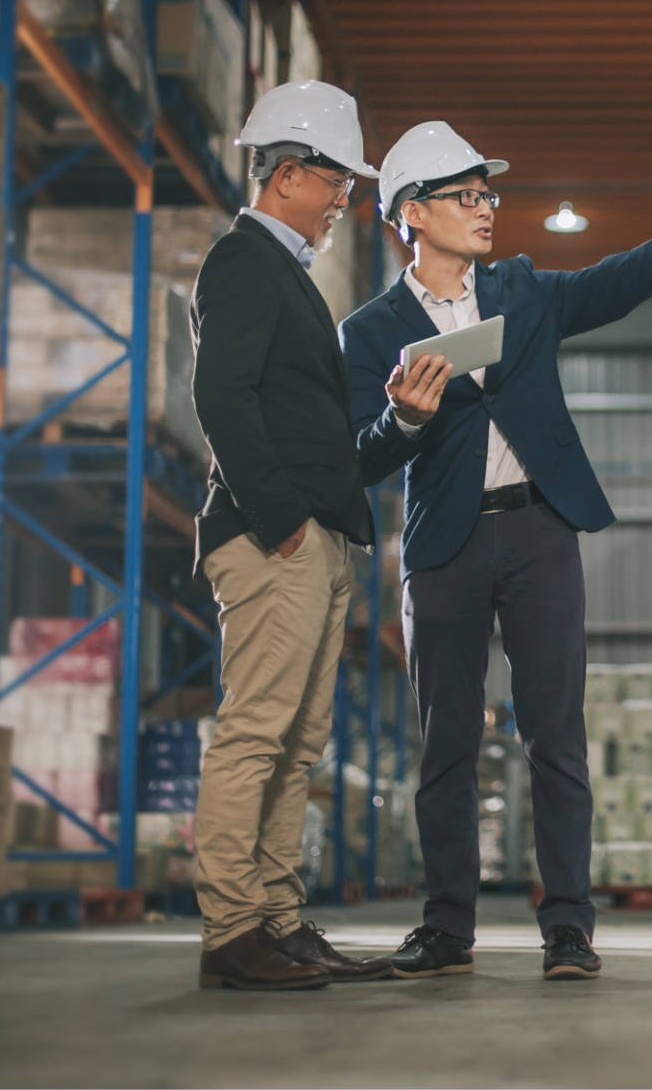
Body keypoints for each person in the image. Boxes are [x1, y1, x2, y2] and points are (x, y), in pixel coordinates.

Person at [340, 120, 652, 981]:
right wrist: (403, 420)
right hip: (444, 546)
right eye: (465, 196)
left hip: (540, 530)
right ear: (411, 212)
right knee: (445, 743)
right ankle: (446, 928)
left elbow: (630, 275)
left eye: (486, 194)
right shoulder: (368, 331)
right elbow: (356, 459)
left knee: (555, 738)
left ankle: (568, 927)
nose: (485, 209)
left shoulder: (523, 292)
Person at [187, 80, 395, 990]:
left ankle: (277, 915)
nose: (346, 198)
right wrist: (280, 521)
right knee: (257, 733)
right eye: (337, 180)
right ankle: (233, 932)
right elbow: (219, 396)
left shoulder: (287, 271)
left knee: (299, 742)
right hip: (274, 538)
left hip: (318, 539)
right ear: (287, 174)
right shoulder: (242, 261)